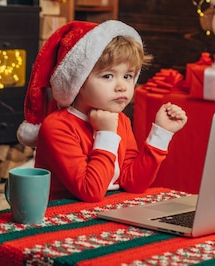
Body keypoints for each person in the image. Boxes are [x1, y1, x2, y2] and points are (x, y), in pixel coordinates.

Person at [17, 20, 188, 202]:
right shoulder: (57, 127)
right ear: (78, 82)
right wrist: (105, 133)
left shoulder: (121, 120)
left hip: (107, 211)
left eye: (128, 76)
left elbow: (134, 183)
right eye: (108, 76)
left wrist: (161, 134)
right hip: (64, 215)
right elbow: (90, 191)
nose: (122, 86)